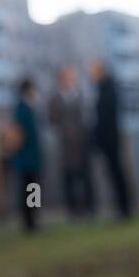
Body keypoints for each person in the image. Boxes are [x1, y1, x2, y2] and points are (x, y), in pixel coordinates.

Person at [47, 65, 95, 218]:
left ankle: (89, 207)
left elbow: (87, 116)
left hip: (82, 141)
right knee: (68, 176)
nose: (72, 79)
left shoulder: (80, 95)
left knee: (86, 175)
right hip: (65, 143)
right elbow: (51, 118)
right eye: (69, 76)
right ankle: (72, 209)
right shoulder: (55, 98)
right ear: (62, 79)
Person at [88, 61, 133, 220]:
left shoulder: (108, 90)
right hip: (108, 139)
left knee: (117, 173)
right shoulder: (104, 89)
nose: (90, 75)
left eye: (93, 72)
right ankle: (122, 208)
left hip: (110, 140)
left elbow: (105, 118)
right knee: (114, 174)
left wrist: (99, 137)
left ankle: (125, 208)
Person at [10, 77, 44, 233]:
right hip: (26, 157)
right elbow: (18, 133)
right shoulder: (21, 108)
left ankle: (34, 218)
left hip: (33, 156)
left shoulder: (30, 107)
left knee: (33, 187)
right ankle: (29, 221)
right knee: (29, 188)